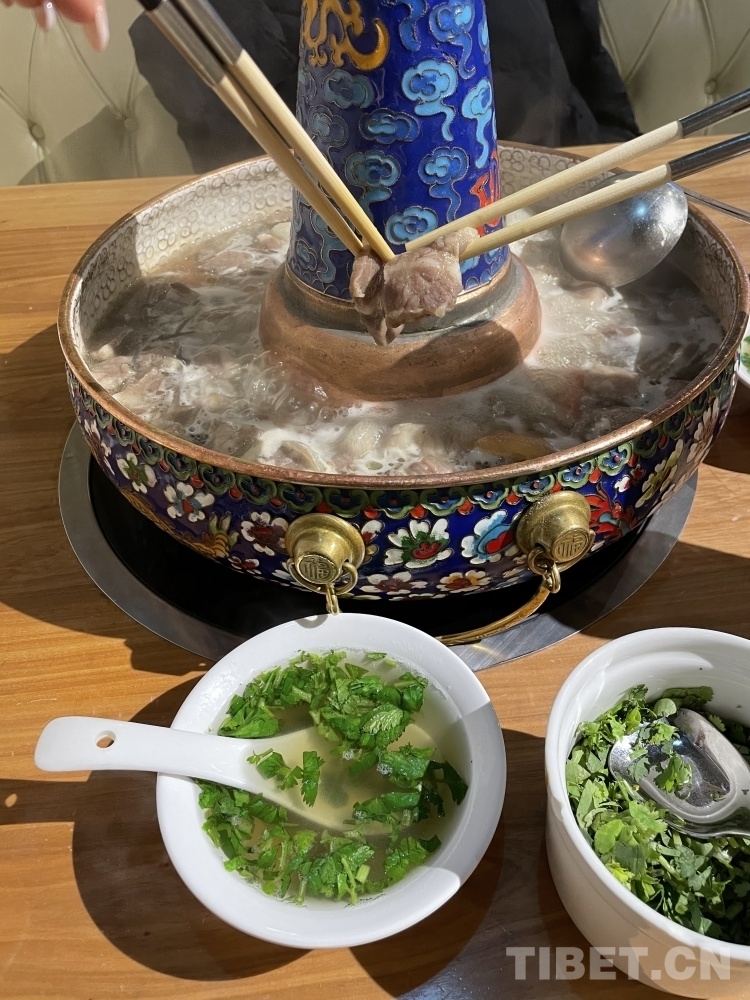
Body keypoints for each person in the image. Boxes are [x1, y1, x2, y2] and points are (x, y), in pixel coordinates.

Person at [2, 0, 639, 174]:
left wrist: (616, 157)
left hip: (548, 188)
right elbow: (251, 191)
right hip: (304, 262)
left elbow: (582, 60)